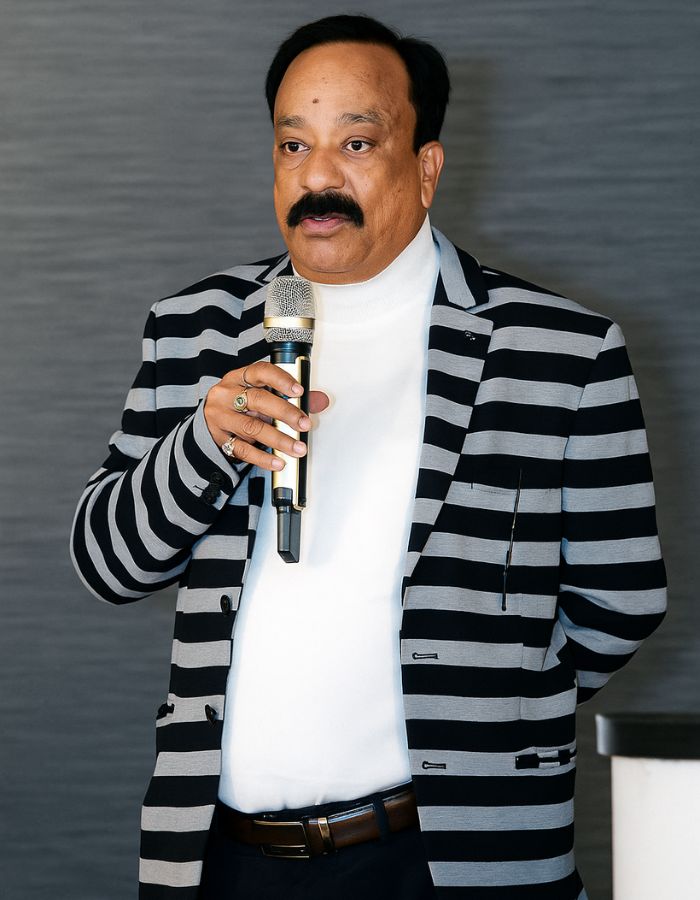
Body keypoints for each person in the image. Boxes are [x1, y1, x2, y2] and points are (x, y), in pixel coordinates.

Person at [70, 14, 667, 900]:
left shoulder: (563, 351)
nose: (318, 178)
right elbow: (105, 564)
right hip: (221, 861)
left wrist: (492, 708)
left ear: (425, 166)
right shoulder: (193, 328)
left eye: (356, 142)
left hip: (450, 859)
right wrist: (203, 442)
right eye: (293, 145)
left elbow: (621, 602)